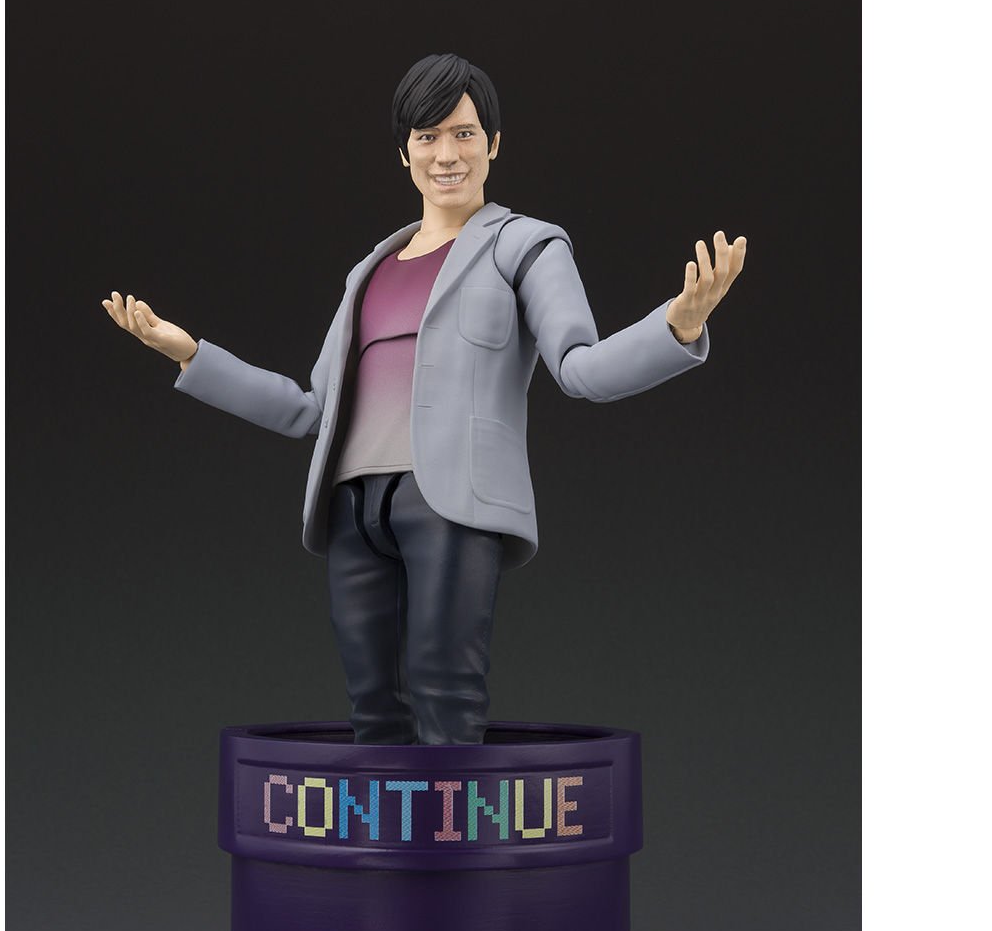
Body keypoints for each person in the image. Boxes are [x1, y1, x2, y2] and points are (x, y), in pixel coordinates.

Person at [102, 53, 747, 747]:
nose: (447, 155)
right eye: (427, 136)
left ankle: (450, 821)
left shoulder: (524, 246)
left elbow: (581, 369)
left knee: (446, 695)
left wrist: (677, 326)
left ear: (493, 144)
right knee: (373, 709)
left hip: (450, 501)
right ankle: (392, 827)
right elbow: (308, 407)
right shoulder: (371, 271)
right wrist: (192, 355)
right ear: (404, 152)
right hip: (352, 507)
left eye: (464, 134)